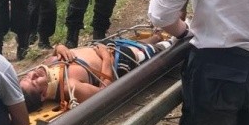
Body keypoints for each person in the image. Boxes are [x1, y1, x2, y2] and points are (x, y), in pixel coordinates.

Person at [19, 31, 173, 111]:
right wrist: (106, 58)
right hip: (120, 60)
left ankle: (156, 37)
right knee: (160, 48)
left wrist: (59, 48)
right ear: (43, 95)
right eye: (34, 82)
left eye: (27, 76)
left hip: (108, 48)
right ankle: (171, 41)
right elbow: (105, 93)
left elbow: (55, 53)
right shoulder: (70, 87)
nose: (33, 74)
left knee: (142, 42)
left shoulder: (45, 68)